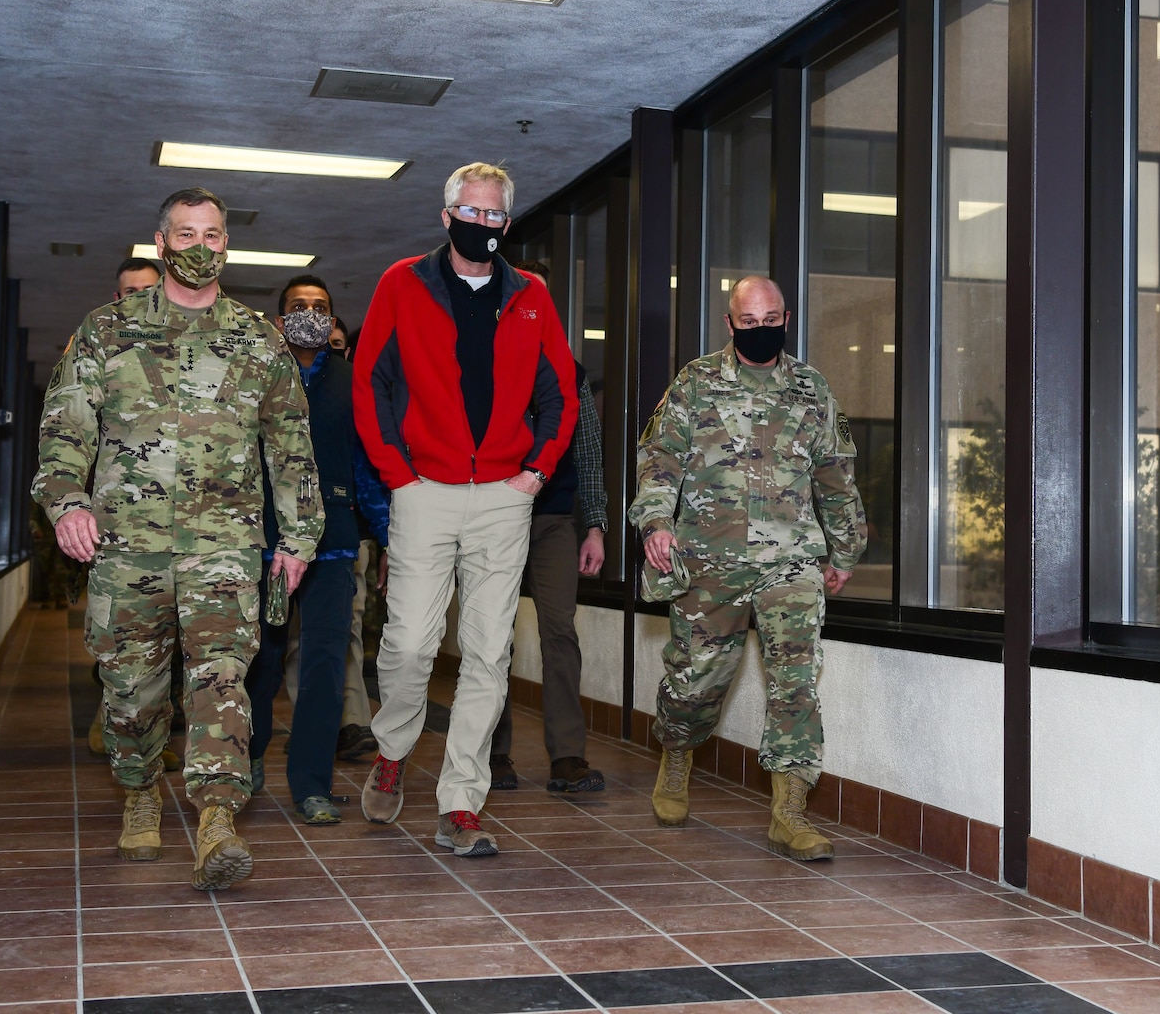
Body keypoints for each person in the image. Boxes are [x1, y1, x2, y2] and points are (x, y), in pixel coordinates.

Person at [34, 187, 323, 890]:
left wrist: (299, 537)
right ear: (162, 243)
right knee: (130, 690)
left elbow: (290, 445)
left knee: (222, 677)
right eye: (186, 235)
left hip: (223, 544)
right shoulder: (106, 330)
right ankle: (138, 790)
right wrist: (68, 503)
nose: (201, 247)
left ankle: (217, 819)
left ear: (228, 244)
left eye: (213, 235)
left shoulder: (260, 341)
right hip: (126, 547)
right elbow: (64, 429)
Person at [353, 162, 577, 857]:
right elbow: (371, 383)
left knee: (488, 652)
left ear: (507, 224)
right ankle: (393, 748)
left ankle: (461, 800)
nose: (482, 226)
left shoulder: (532, 296)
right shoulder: (403, 282)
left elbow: (561, 396)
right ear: (447, 216)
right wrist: (400, 477)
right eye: (469, 213)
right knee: (412, 642)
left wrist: (534, 475)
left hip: (504, 500)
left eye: (494, 216)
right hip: (423, 493)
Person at [627, 275, 866, 861]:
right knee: (696, 682)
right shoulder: (695, 382)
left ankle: (789, 812)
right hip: (711, 562)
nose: (760, 331)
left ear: (786, 319)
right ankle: (677, 751)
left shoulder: (812, 389)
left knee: (796, 685)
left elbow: (836, 475)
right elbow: (659, 458)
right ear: (731, 323)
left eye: (771, 321)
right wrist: (656, 523)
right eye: (748, 322)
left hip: (792, 565)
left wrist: (844, 553)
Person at [245, 275, 388, 824]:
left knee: (327, 665)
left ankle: (312, 783)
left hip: (332, 548)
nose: (310, 314)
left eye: (320, 307)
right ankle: (250, 758)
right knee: (262, 661)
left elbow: (368, 470)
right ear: (279, 321)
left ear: (332, 321)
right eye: (298, 307)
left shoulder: (353, 384)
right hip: (266, 548)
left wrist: (386, 536)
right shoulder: (256, 378)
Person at [488, 261, 608, 794]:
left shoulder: (570, 370)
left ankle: (567, 756)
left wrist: (597, 526)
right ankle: (492, 755)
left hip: (554, 520)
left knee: (560, 631)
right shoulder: (483, 359)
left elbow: (588, 452)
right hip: (494, 516)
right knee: (492, 637)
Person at [86, 257, 185, 768]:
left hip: (192, 539)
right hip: (119, 532)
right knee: (125, 657)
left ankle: (158, 739)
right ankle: (125, 734)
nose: (137, 300)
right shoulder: (99, 342)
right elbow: (69, 428)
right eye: (128, 292)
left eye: (147, 290)